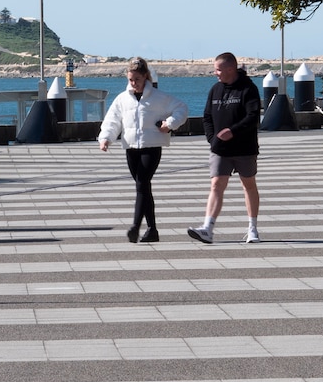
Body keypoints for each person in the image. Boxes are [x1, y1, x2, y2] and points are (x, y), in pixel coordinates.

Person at [99, 57, 188, 243]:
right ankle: (152, 230)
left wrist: (169, 124)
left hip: (152, 146)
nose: (134, 84)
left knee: (141, 184)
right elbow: (112, 120)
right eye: (131, 80)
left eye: (137, 80)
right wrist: (106, 138)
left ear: (145, 77)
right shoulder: (122, 99)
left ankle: (135, 226)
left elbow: (181, 108)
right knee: (144, 188)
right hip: (131, 148)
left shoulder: (159, 97)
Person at [188, 52, 262, 244]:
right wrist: (212, 139)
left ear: (230, 69)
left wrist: (233, 131)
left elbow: (253, 117)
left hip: (245, 148)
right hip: (220, 149)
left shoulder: (248, 89)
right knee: (216, 184)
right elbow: (207, 117)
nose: (215, 73)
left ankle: (252, 228)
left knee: (249, 184)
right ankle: (207, 228)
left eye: (218, 69)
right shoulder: (215, 89)